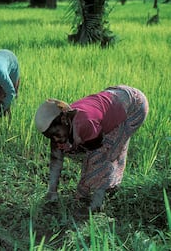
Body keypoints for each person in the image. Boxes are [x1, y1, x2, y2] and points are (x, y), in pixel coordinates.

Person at [34, 85, 148, 215]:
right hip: (116, 98)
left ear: (65, 120)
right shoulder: (61, 126)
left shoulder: (85, 122)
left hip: (134, 106)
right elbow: (56, 158)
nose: (55, 139)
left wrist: (73, 147)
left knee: (104, 154)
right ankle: (107, 187)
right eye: (50, 136)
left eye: (56, 134)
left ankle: (96, 204)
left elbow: (96, 150)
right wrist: (51, 192)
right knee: (108, 147)